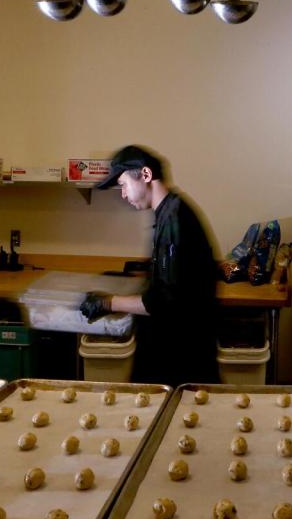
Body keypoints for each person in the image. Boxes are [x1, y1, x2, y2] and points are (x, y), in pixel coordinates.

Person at [80, 145, 218, 385]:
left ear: (145, 175)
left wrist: (108, 302)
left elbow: (163, 302)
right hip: (175, 354)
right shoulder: (170, 211)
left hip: (181, 361)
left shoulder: (174, 220)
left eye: (123, 185)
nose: (122, 194)